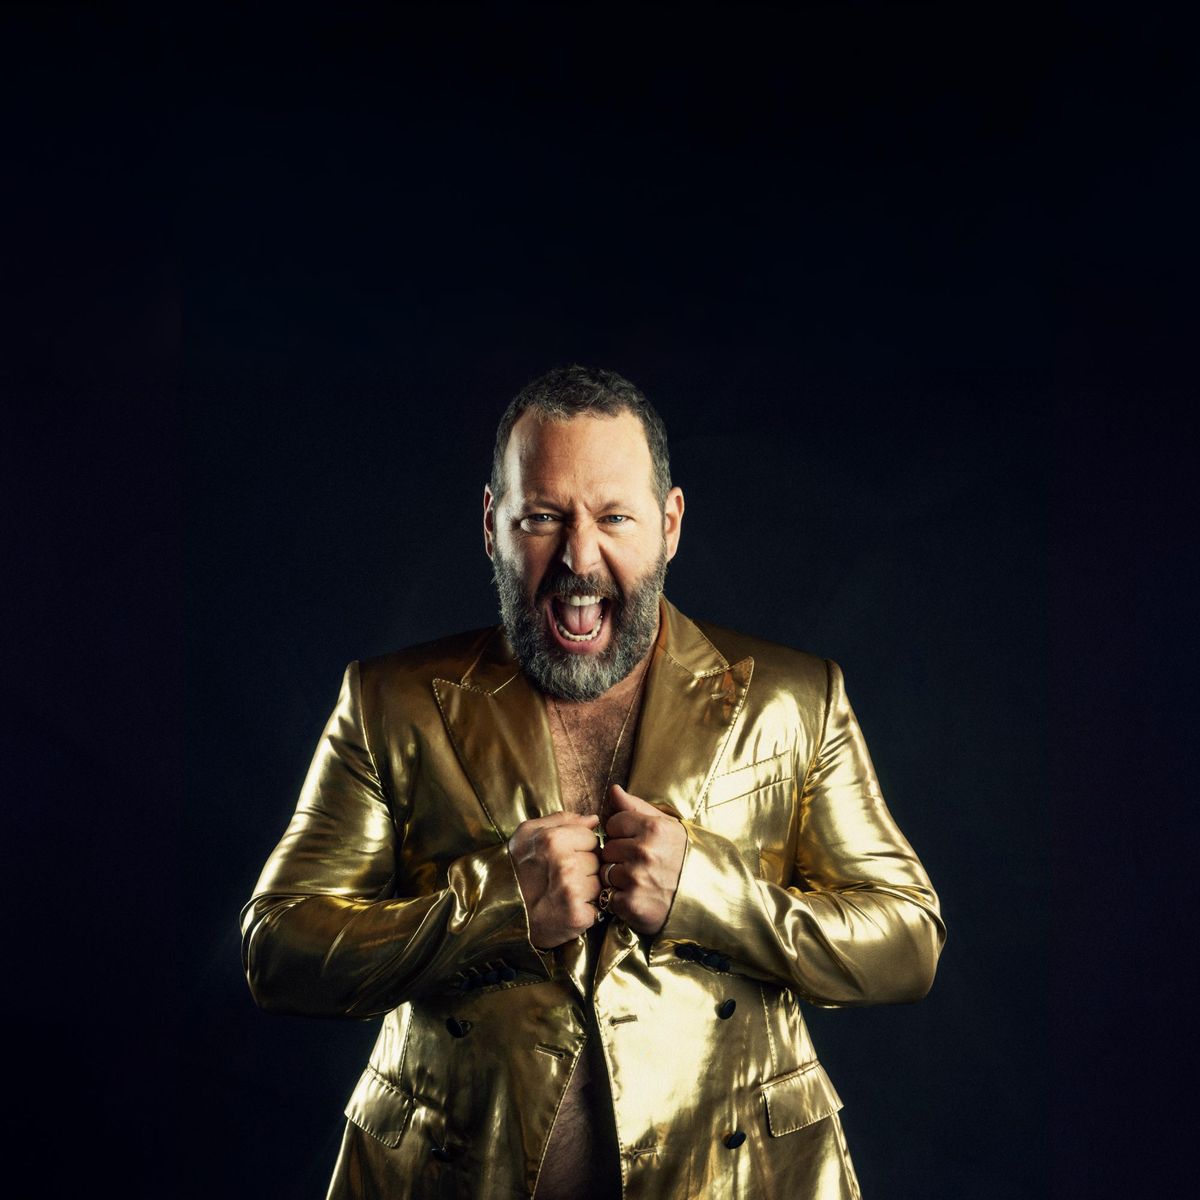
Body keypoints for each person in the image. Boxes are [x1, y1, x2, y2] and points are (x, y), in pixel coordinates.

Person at [241, 364, 945, 1200]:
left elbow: (908, 940)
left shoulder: (795, 700)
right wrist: (491, 907)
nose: (579, 557)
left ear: (669, 524)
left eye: (614, 517)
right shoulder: (390, 703)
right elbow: (278, 950)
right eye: (542, 517)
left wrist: (708, 895)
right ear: (492, 525)